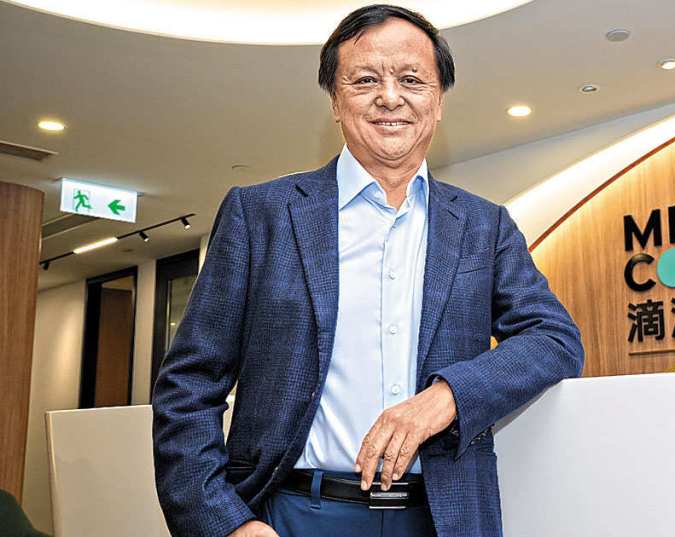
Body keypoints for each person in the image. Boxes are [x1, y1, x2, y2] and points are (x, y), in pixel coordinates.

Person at [150, 4, 584, 537]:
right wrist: (225, 523)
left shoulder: (483, 225)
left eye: (411, 80)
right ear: (335, 101)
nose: (390, 97)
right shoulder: (260, 215)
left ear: (439, 101)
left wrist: (446, 397)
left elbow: (554, 338)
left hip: (443, 518)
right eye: (365, 80)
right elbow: (188, 386)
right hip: (293, 514)